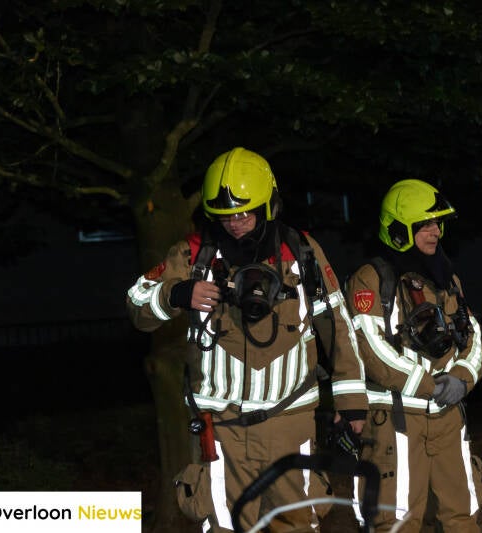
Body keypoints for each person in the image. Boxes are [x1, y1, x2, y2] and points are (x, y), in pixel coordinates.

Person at [126, 147, 368, 532]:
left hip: (291, 425)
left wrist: (352, 405)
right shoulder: (193, 254)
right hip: (222, 431)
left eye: (244, 213)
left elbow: (338, 326)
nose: (235, 224)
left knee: (297, 526)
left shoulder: (301, 251)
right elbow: (137, 305)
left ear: (268, 205)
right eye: (224, 216)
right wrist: (175, 293)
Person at [346, 179, 482, 532]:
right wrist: (428, 384)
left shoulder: (447, 278)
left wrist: (462, 379)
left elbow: (472, 336)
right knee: (397, 522)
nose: (435, 231)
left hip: (448, 418)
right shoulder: (371, 280)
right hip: (397, 421)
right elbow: (372, 348)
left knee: (462, 514)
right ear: (398, 229)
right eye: (424, 224)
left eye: (437, 223)